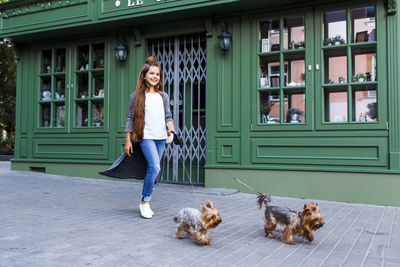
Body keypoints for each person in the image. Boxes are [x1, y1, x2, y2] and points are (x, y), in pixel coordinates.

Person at [125, 56, 175, 219]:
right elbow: (130, 118)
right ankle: (145, 202)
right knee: (154, 167)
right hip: (145, 137)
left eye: (158, 74)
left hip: (161, 138)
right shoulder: (136, 96)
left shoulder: (163, 96)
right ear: (144, 75)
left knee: (155, 169)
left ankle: (146, 198)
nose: (155, 77)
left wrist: (171, 128)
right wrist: (128, 140)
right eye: (152, 73)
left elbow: (168, 115)